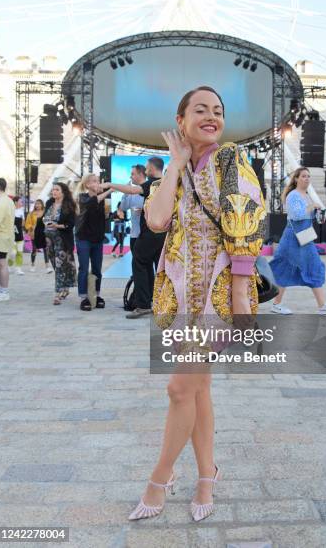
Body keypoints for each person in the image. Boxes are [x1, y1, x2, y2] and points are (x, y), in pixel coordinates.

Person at [127, 86, 266, 522]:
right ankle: (207, 475)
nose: (211, 117)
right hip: (184, 291)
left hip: (221, 294)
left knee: (179, 388)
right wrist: (175, 165)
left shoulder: (230, 159)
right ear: (181, 119)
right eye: (200, 110)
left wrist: (242, 299)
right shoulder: (181, 168)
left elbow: (245, 224)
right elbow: (156, 219)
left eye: (218, 111)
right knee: (199, 388)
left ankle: (159, 480)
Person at [269, 167, 326, 315]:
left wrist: (317, 212)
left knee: (314, 266)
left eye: (308, 176)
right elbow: (296, 215)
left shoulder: (306, 195)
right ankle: (276, 304)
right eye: (303, 176)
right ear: (296, 179)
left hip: (305, 237)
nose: (307, 178)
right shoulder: (293, 195)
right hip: (292, 238)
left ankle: (322, 306)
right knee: (285, 268)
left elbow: (308, 216)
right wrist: (311, 207)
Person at [103, 157, 166, 318]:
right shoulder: (168, 182)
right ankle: (161, 303)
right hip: (164, 232)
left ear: (151, 168)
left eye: (147, 167)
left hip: (151, 232)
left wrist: (110, 185)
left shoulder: (153, 183)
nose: (146, 170)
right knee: (160, 268)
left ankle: (143, 304)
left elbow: (132, 190)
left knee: (138, 261)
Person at [75, 174, 112, 311]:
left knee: (97, 269)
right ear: (87, 185)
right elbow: (92, 202)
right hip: (83, 238)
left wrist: (110, 214)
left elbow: (105, 216)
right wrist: (109, 190)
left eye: (99, 181)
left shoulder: (103, 200)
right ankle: (83, 297)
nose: (98, 183)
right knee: (83, 268)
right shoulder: (83, 198)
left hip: (97, 239)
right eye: (95, 181)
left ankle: (96, 295)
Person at [43, 182, 77, 305]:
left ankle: (57, 294)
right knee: (55, 264)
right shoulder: (49, 203)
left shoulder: (69, 205)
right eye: (53, 190)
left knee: (59, 264)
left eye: (57, 189)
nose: (54, 192)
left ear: (63, 192)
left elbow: (70, 224)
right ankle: (65, 287)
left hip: (61, 239)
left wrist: (56, 225)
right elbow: (43, 218)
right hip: (48, 240)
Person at [0, 178, 15, 302]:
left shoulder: (1, 202)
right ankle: (3, 291)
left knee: (1, 264)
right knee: (1, 264)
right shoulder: (7, 200)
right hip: (3, 238)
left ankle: (4, 291)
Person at [120, 164, 146, 254]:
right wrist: (126, 192)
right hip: (135, 234)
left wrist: (144, 210)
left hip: (149, 235)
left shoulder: (152, 189)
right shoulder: (131, 192)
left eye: (133, 174)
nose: (130, 176)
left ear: (140, 174)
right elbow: (123, 207)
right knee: (137, 264)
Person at [25, 199, 52, 273]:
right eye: (36, 204)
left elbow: (49, 222)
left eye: (39, 204)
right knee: (34, 249)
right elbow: (27, 224)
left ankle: (47, 267)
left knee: (45, 249)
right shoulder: (31, 214)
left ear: (42, 204)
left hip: (44, 233)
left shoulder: (46, 213)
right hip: (34, 233)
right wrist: (31, 227)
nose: (37, 205)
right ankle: (32, 265)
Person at [8, 196, 25, 275]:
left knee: (20, 252)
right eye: (20, 201)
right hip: (11, 235)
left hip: (20, 235)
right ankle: (9, 265)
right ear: (15, 202)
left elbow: (23, 223)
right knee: (13, 253)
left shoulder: (21, 211)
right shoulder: (10, 210)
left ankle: (18, 269)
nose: (22, 203)